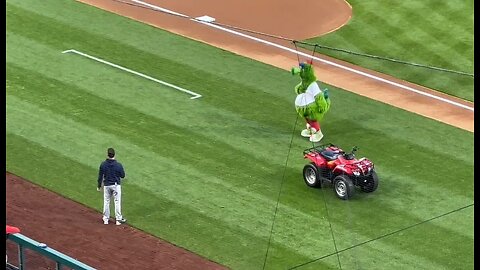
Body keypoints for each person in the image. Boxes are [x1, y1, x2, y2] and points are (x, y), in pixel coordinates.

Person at [97, 147, 127, 225]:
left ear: (107, 155)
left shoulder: (103, 164)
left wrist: (99, 186)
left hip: (107, 186)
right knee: (117, 202)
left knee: (106, 202)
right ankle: (118, 220)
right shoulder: (118, 165)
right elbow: (123, 175)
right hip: (116, 186)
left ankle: (106, 219)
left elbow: (100, 176)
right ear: (114, 155)